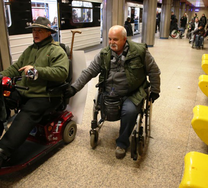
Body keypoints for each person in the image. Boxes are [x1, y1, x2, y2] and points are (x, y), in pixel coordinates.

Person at [0, 16, 69, 174]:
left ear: (49, 32)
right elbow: (15, 69)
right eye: (34, 30)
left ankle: (1, 153)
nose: (35, 33)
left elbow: (62, 73)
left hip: (45, 95)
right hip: (25, 91)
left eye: (39, 30)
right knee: (0, 101)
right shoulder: (30, 50)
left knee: (25, 115)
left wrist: (36, 71)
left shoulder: (56, 51)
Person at [64, 25, 161, 159]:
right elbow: (89, 72)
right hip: (110, 91)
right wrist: (74, 88)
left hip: (132, 93)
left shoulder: (140, 52)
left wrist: (155, 90)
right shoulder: (104, 54)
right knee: (107, 110)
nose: (111, 43)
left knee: (130, 112)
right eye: (109, 39)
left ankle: (122, 143)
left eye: (115, 39)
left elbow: (154, 71)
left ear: (125, 39)